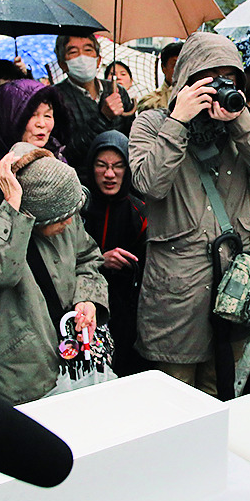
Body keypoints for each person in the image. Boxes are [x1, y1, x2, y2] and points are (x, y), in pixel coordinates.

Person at [129, 32, 250, 397]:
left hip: (235, 288)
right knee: (176, 400)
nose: (221, 87)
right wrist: (178, 120)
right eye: (210, 77)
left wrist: (239, 122)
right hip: (178, 290)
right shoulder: (152, 124)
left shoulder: (242, 127)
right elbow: (149, 184)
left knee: (222, 393)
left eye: (229, 78)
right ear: (188, 78)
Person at [0, 143, 108, 405]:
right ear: (35, 215)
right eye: (61, 219)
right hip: (19, 375)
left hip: (72, 359)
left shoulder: (63, 205)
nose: (69, 222)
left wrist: (87, 298)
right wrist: (13, 209)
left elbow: (87, 257)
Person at [80, 130, 149, 377]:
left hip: (127, 315)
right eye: (102, 166)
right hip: (83, 311)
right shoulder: (79, 207)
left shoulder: (139, 211)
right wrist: (100, 259)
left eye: (118, 166)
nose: (110, 174)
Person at [52, 32, 133, 169]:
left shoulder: (117, 91)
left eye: (88, 50)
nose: (82, 57)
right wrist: (103, 117)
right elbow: (66, 153)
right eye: (73, 52)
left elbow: (131, 140)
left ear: (98, 60)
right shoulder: (54, 98)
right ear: (62, 64)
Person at [137, 41, 183, 113]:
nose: (180, 70)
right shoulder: (150, 100)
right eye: (175, 66)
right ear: (163, 68)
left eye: (184, 65)